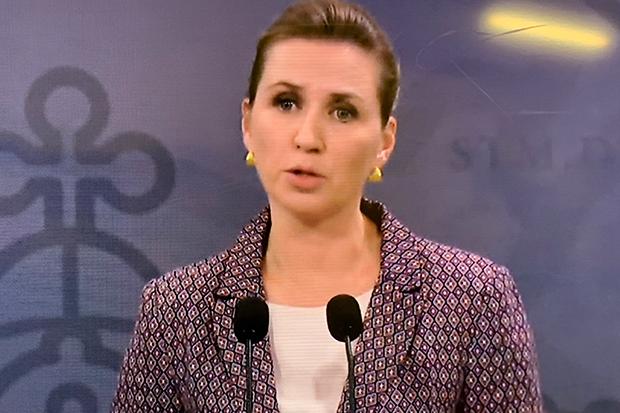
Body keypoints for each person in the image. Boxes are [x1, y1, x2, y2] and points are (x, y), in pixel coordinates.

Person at [111, 0, 543, 412]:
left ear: (385, 142)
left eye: (343, 112)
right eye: (286, 102)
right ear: (248, 124)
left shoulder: (472, 299)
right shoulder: (175, 309)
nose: (308, 138)